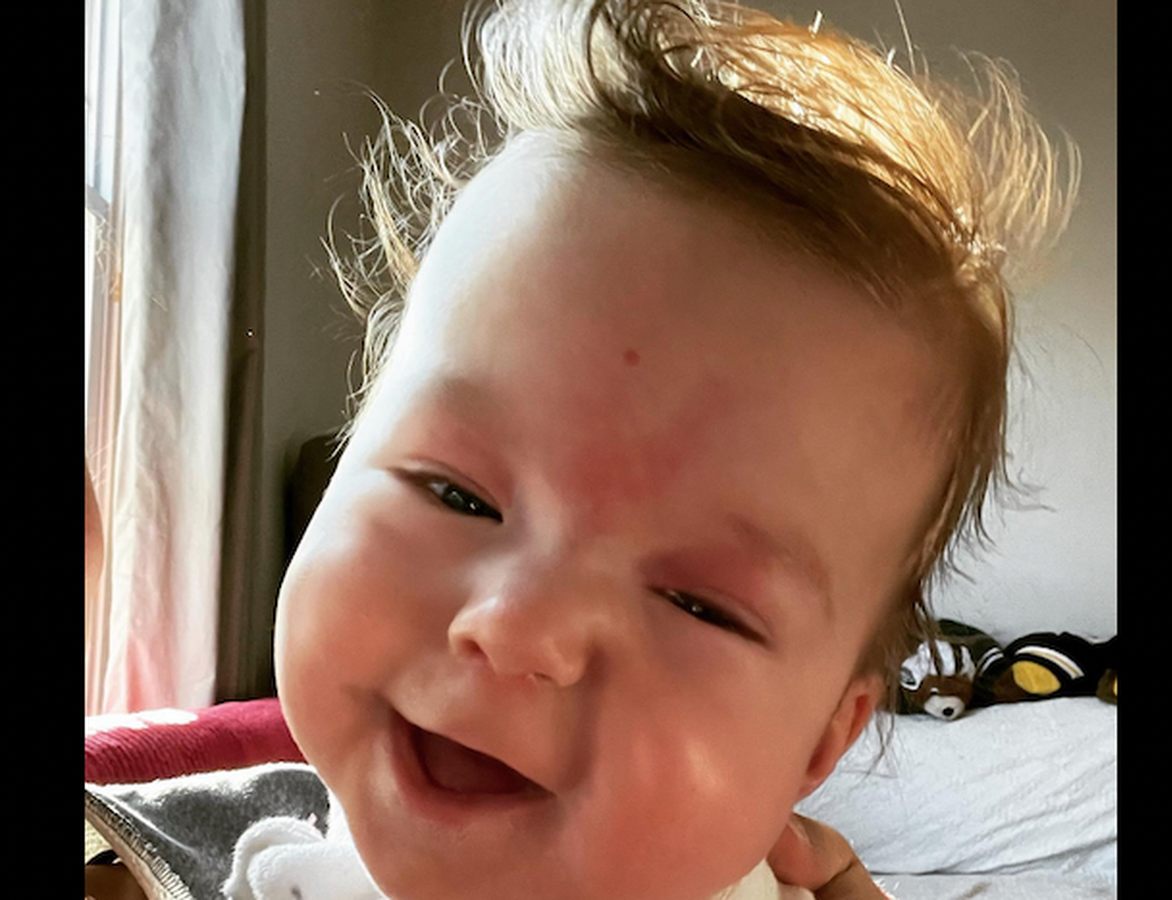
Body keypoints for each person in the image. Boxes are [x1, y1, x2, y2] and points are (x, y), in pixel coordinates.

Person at [85, 1, 1073, 898]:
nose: (517, 628)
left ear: (820, 743)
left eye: (697, 604)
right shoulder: (177, 844)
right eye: (457, 494)